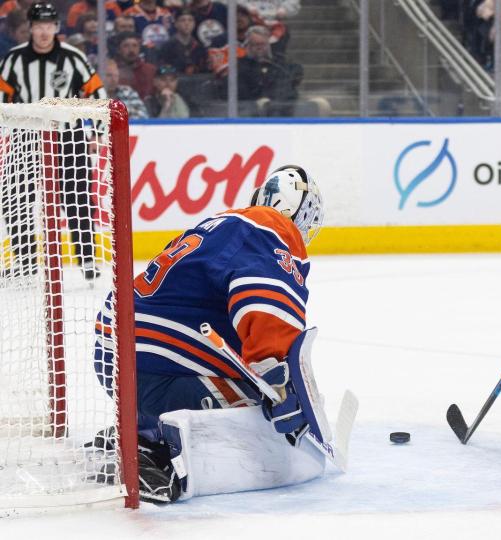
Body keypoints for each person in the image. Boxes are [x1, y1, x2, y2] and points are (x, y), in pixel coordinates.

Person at [94, 165, 325, 503]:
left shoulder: (225, 225)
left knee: (250, 391)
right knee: (255, 415)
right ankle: (149, 447)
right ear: (295, 210)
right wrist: (275, 380)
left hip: (120, 351)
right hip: (149, 362)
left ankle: (139, 424)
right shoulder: (271, 228)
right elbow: (264, 301)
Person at [0, 2, 106, 280]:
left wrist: (95, 132)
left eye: (49, 25)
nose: (44, 31)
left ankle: (87, 260)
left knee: (77, 197)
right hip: (27, 136)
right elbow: (2, 98)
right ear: (30, 28)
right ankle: (25, 260)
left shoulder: (73, 57)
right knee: (15, 198)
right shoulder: (14, 59)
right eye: (38, 26)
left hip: (68, 137)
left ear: (56, 27)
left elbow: (96, 93)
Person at [156, 10, 208, 75]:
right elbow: (161, 69)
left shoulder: (199, 47)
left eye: (190, 20)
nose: (187, 23)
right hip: (174, 81)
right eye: (183, 20)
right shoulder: (167, 47)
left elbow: (204, 70)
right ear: (176, 24)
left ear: (194, 24)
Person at [115, 31, 157, 98]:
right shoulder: (112, 71)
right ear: (119, 50)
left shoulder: (150, 70)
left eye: (135, 46)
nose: (131, 50)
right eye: (126, 46)